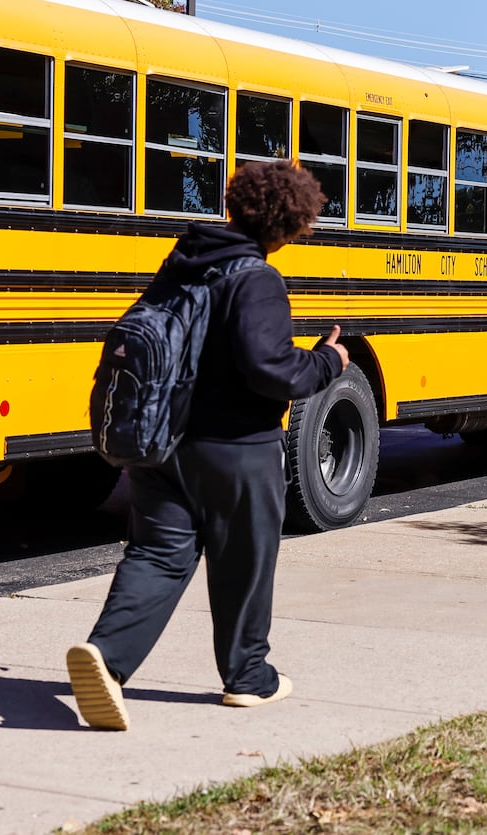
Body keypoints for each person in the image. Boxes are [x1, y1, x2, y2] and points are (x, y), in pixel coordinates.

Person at [66, 162, 349, 731]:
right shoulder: (256, 279)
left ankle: (108, 659)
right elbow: (270, 368)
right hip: (237, 449)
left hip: (162, 440)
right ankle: (248, 678)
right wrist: (326, 361)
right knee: (242, 560)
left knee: (156, 554)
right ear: (293, 225)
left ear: (234, 205)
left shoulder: (182, 264)